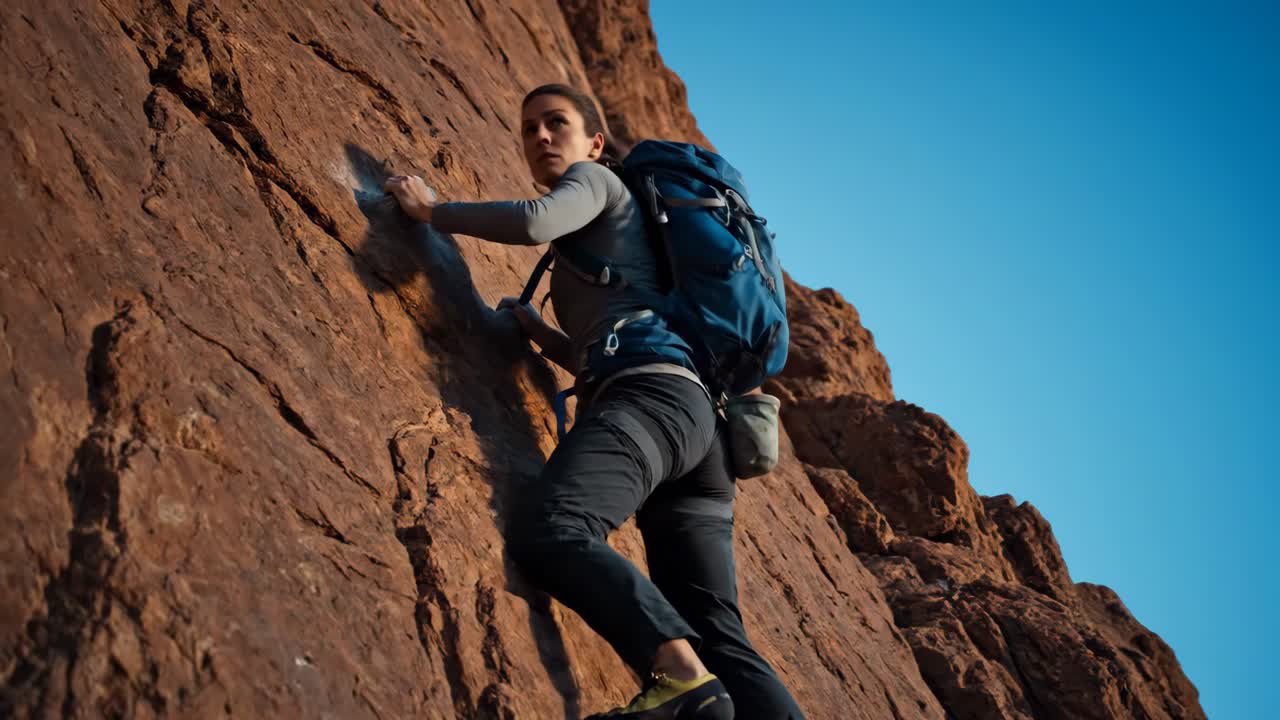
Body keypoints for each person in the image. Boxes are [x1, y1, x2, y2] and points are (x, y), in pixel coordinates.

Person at [384, 84, 804, 720]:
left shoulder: (597, 181)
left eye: (556, 123)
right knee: (718, 630)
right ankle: (704, 682)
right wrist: (543, 335)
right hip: (697, 433)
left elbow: (533, 222)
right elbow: (618, 337)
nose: (540, 136)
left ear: (594, 142)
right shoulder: (625, 231)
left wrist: (431, 210)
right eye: (529, 128)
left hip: (651, 403)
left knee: (555, 530)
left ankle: (682, 681)